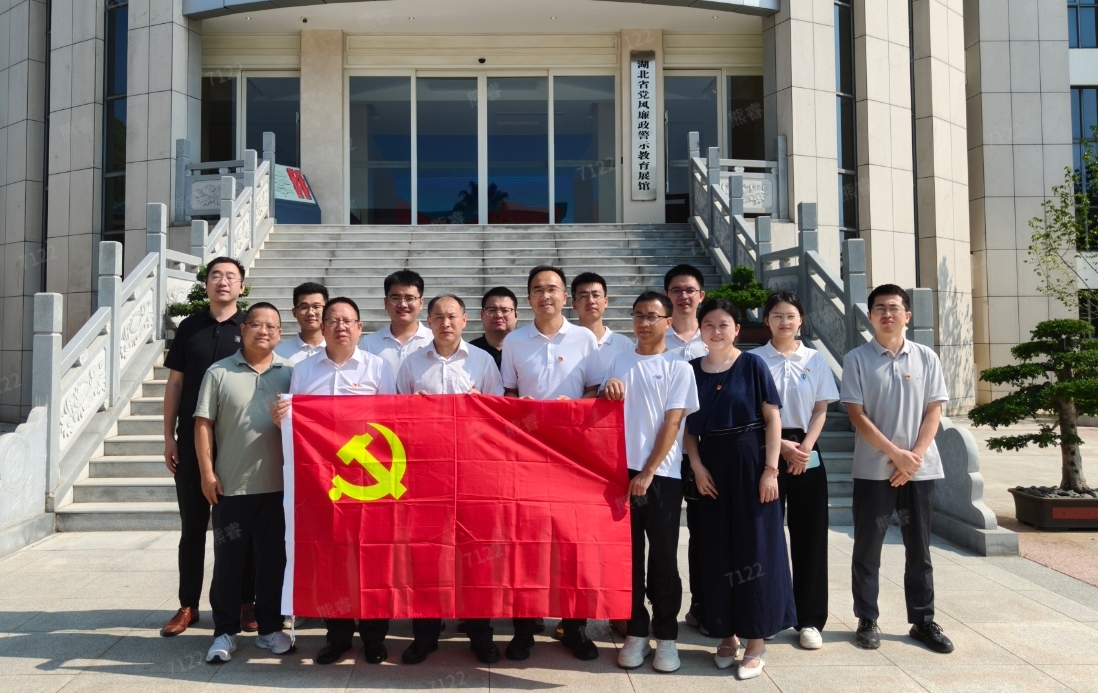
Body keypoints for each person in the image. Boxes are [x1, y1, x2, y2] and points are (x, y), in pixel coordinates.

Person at [271, 297, 397, 666]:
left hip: (370, 481)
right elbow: (298, 424)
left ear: (360, 328)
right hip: (323, 481)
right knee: (331, 558)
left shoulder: (378, 367)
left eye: (348, 321)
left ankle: (374, 637)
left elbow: (393, 421)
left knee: (371, 559)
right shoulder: (304, 370)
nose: (341, 327)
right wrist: (283, 418)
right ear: (322, 327)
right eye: (333, 321)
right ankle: (337, 636)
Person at [683, 299, 795, 680]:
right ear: (700, 330)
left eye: (724, 324)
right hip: (711, 468)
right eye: (709, 325)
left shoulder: (752, 365)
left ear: (737, 329)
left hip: (751, 463)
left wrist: (770, 471)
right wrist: (697, 466)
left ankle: (756, 640)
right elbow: (688, 428)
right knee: (717, 550)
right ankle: (726, 633)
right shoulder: (691, 370)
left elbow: (772, 419)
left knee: (755, 548)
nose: (716, 331)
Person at [840, 284, 954, 654]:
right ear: (869, 316)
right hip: (873, 470)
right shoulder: (857, 358)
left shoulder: (926, 357)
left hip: (919, 470)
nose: (886, 314)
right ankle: (867, 618)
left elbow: (934, 410)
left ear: (907, 314)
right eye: (879, 308)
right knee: (868, 547)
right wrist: (895, 454)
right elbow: (856, 414)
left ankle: (923, 620)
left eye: (893, 307)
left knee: (919, 548)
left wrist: (913, 457)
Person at [500, 265, 605, 662]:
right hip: (526, 455)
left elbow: (595, 390)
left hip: (573, 455)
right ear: (528, 298)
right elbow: (508, 393)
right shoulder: (514, 341)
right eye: (538, 289)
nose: (546, 296)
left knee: (572, 543)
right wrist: (519, 408)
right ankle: (524, 628)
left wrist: (574, 408)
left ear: (565, 297)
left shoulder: (584, 338)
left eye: (553, 289)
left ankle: (574, 627)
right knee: (525, 542)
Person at [394, 294, 504, 665]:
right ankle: (425, 636)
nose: (445, 323)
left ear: (465, 320)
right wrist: (413, 407)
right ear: (428, 321)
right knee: (427, 555)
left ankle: (480, 634)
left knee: (476, 556)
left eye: (452, 316)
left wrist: (480, 406)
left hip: (474, 474)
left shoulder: (482, 361)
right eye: (438, 317)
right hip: (427, 474)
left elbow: (500, 417)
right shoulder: (412, 363)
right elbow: (395, 418)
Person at [601, 292, 698, 673]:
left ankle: (667, 636)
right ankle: (635, 632)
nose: (644, 323)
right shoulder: (619, 360)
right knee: (628, 558)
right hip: (619, 474)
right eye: (638, 315)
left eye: (652, 316)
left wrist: (648, 471)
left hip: (662, 476)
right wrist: (608, 387)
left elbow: (673, 424)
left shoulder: (679, 367)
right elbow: (605, 409)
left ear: (668, 322)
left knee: (663, 558)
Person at [161, 256, 256, 637]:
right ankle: (188, 604)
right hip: (191, 441)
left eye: (231, 276)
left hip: (236, 443)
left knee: (239, 529)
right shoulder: (190, 327)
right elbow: (175, 384)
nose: (223, 281)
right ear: (206, 284)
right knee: (193, 528)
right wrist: (169, 436)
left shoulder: (249, 327)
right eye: (216, 275)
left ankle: (245, 602)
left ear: (241, 287)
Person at [194, 303, 294, 664]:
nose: (263, 331)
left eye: (271, 326)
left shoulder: (291, 373)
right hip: (231, 487)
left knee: (273, 562)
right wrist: (207, 473)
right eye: (256, 324)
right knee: (228, 562)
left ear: (280, 333)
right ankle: (224, 632)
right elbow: (202, 423)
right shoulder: (219, 372)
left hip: (279, 489)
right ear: (243, 329)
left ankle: (270, 629)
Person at [751, 291, 839, 651]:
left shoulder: (814, 359)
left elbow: (821, 409)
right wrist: (782, 446)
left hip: (806, 452)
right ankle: (770, 614)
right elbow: (752, 412)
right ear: (766, 321)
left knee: (810, 535)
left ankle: (810, 620)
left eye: (790, 316)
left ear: (800, 320)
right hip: (766, 451)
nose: (784, 322)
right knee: (765, 536)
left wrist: (804, 448)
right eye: (777, 316)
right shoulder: (754, 360)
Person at [662, 263, 708, 632]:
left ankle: (703, 607)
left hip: (703, 453)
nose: (683, 296)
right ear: (667, 295)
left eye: (690, 290)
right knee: (663, 538)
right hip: (662, 454)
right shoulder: (655, 339)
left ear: (701, 295)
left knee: (704, 533)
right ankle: (656, 611)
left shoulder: (714, 338)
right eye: (676, 290)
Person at [360, 269, 433, 378]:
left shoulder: (433, 340)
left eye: (410, 298)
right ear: (385, 302)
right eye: (395, 298)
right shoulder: (369, 343)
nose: (403, 304)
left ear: (421, 303)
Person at [571, 271, 633, 370]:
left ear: (605, 302)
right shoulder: (566, 343)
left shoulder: (624, 345)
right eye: (583, 296)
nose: (591, 301)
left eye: (596, 295)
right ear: (574, 304)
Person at [274, 282, 328, 364]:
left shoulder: (337, 350)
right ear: (294, 312)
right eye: (304, 307)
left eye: (316, 307)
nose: (310, 313)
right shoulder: (279, 353)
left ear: (327, 311)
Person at [470, 286, 519, 369]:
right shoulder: (468, 353)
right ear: (482, 315)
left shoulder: (527, 350)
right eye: (492, 310)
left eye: (505, 310)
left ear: (516, 316)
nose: (498, 315)